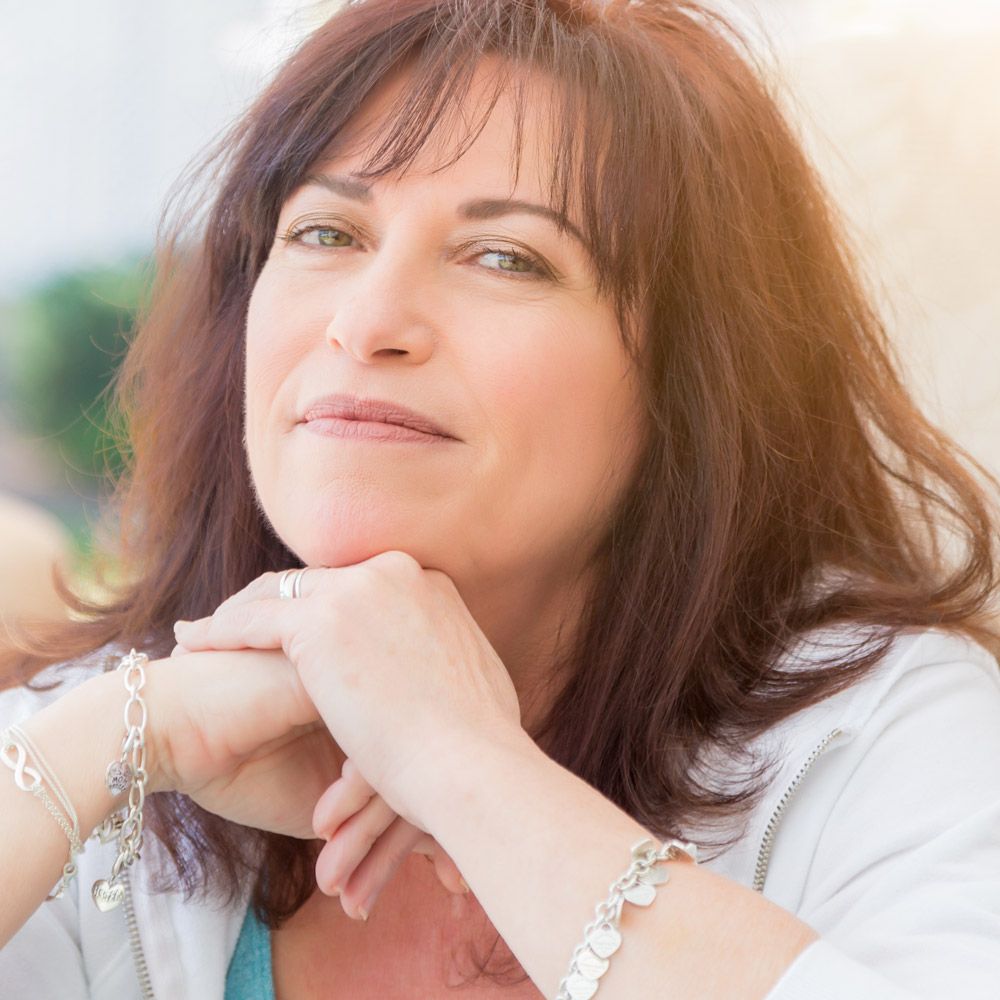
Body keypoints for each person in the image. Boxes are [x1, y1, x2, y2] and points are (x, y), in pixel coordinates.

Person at [2, 0, 999, 997]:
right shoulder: (111, 736)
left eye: (507, 256)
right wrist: (122, 739)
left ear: (693, 383)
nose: (368, 320)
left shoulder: (885, 734)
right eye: (324, 231)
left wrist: (469, 769)